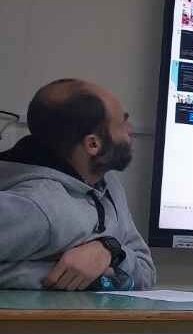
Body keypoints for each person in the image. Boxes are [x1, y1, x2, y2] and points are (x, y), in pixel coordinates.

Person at [0, 78, 155, 291]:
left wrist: (109, 251)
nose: (130, 130)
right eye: (122, 123)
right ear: (93, 144)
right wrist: (50, 273)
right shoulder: (37, 205)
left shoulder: (107, 183)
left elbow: (146, 271)